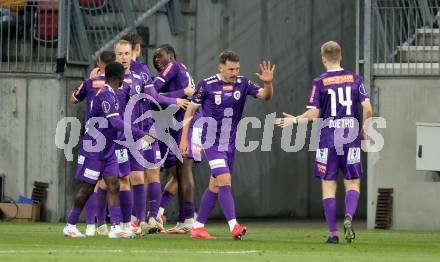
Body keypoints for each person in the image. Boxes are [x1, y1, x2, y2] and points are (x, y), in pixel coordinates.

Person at [276, 41, 372, 244]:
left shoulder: (319, 82)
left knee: (328, 185)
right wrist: (364, 130)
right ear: (341, 57)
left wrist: (294, 120)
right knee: (352, 182)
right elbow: (368, 109)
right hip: (351, 135)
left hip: (328, 138)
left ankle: (333, 234)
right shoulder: (355, 78)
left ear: (323, 59)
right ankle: (348, 217)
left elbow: (314, 113)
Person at [180, 51, 275, 240]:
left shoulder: (243, 83)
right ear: (221, 67)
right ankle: (234, 226)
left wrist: (268, 83)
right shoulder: (206, 85)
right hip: (212, 142)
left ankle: (198, 227)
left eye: (237, 69)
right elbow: (190, 109)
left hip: (230, 143)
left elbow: (265, 96)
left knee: (215, 185)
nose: (234, 72)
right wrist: (184, 139)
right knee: (225, 180)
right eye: (231, 69)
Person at [63, 62, 150, 238]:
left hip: (108, 149)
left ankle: (116, 227)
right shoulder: (105, 95)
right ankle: (70, 225)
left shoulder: (112, 93)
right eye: (123, 78)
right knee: (88, 187)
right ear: (118, 78)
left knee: (114, 184)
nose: (124, 81)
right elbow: (115, 123)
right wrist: (142, 134)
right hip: (94, 149)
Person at [151, 44, 200, 234]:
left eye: (160, 55)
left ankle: (188, 218)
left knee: (184, 169)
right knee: (178, 173)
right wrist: (179, 94)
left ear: (171, 56)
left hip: (187, 122)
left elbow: (153, 92)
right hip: (177, 124)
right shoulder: (181, 71)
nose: (157, 60)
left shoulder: (172, 66)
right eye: (154, 57)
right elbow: (155, 97)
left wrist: (172, 96)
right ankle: (183, 219)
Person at [69, 50, 116, 237]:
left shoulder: (89, 83)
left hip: (94, 140)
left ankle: (99, 226)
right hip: (109, 141)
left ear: (99, 63)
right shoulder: (117, 85)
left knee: (106, 183)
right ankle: (78, 224)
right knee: (96, 184)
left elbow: (72, 99)